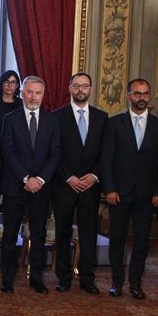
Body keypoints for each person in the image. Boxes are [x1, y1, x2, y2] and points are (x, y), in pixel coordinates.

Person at [101, 78, 158, 300]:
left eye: (145, 94)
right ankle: (116, 282)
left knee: (141, 241)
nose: (142, 98)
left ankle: (136, 283)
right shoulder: (115, 123)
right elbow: (106, 159)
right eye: (138, 93)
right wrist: (109, 188)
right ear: (129, 96)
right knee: (117, 240)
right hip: (119, 193)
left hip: (147, 194)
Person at [0, 76, 60, 294]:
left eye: (38, 93)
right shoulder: (10, 119)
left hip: (41, 188)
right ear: (23, 93)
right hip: (15, 186)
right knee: (10, 235)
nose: (34, 97)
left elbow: (55, 153)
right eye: (30, 92)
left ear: (43, 95)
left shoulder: (52, 121)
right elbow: (7, 151)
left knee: (38, 235)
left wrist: (40, 179)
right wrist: (26, 178)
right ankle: (7, 280)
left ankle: (36, 279)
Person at [52, 73, 108, 294]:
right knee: (62, 233)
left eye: (85, 86)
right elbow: (54, 152)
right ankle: (63, 277)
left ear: (91, 89)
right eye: (76, 86)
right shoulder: (56, 117)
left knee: (88, 233)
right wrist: (69, 177)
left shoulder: (102, 117)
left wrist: (94, 176)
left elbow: (106, 153)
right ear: (70, 88)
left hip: (91, 186)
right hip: (64, 185)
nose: (80, 90)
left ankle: (87, 278)